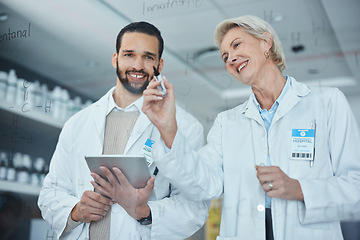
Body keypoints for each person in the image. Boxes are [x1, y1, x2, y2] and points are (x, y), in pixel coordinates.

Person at [142, 15, 360, 240]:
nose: (231, 59)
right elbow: (203, 184)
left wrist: (301, 189)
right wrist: (168, 128)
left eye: (236, 45)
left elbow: (356, 186)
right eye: (225, 56)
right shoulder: (227, 122)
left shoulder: (328, 103)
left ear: (266, 43)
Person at [38, 21, 210, 240]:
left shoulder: (185, 127)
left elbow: (195, 207)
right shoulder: (77, 124)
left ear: (160, 64)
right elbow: (49, 194)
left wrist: (143, 212)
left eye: (148, 57)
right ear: (115, 59)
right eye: (129, 54)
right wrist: (76, 211)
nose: (138, 65)